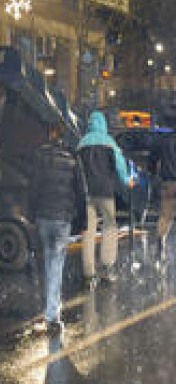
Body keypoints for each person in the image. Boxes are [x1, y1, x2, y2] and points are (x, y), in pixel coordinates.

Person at [31, 124, 88, 335]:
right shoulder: (73, 158)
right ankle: (52, 314)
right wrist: (82, 223)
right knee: (56, 263)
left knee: (48, 260)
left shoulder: (40, 156)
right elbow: (81, 192)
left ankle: (51, 306)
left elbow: (34, 187)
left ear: (50, 134)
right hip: (63, 218)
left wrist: (31, 213)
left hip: (44, 217)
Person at [77, 111, 130, 285]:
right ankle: (107, 269)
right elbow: (120, 166)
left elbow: (77, 171)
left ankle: (88, 273)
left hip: (87, 194)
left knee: (89, 231)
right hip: (106, 192)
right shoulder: (109, 143)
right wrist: (126, 181)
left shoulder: (81, 144)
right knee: (109, 228)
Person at [151, 133, 176, 266]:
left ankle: (161, 241)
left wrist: (153, 172)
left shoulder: (164, 140)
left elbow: (153, 158)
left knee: (165, 216)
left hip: (168, 182)